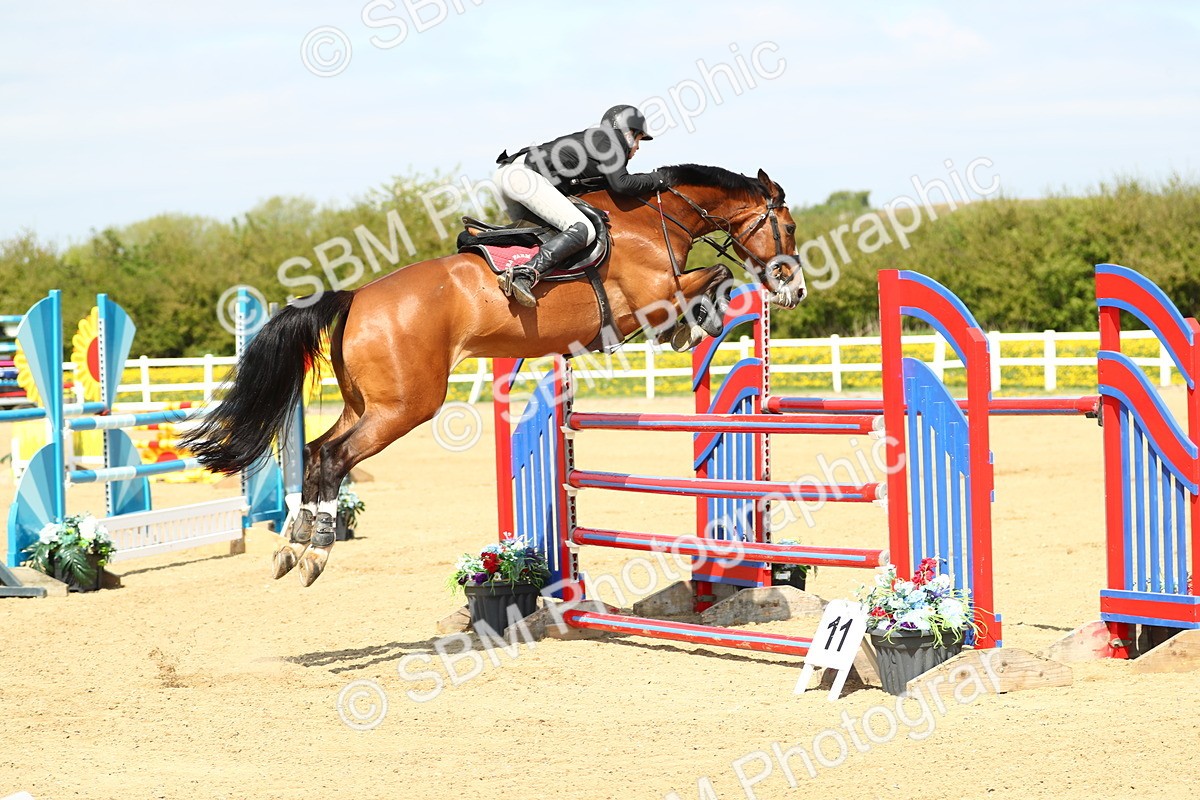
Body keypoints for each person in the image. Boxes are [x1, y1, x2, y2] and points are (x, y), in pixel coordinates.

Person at [493, 104, 666, 307]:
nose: (637, 147)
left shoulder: (599, 143)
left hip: (509, 175)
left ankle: (482, 243)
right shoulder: (611, 140)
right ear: (629, 133)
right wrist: (659, 179)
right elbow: (622, 184)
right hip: (523, 177)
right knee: (583, 229)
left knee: (544, 235)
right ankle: (524, 274)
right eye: (638, 139)